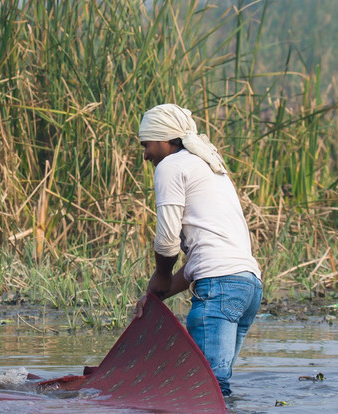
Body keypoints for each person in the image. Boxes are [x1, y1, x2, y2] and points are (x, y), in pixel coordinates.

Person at [133, 104, 262, 396]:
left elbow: (166, 239)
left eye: (147, 145)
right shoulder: (207, 165)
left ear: (165, 139)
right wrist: (155, 295)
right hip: (248, 286)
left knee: (207, 390)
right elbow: (205, 263)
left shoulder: (171, 166)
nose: (145, 155)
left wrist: (162, 275)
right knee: (217, 385)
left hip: (221, 287)